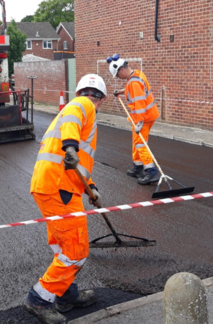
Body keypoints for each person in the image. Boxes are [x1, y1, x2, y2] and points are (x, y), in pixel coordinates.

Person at [25, 74, 107, 324]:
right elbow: (72, 129)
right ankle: (38, 300)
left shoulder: (78, 109)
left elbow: (79, 165)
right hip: (59, 188)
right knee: (75, 251)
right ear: (100, 98)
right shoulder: (83, 105)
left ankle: (65, 293)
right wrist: (70, 147)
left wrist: (91, 188)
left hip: (53, 185)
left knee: (63, 247)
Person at [109, 54, 160, 185]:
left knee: (140, 144)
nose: (118, 78)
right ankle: (138, 167)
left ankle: (151, 172)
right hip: (143, 116)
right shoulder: (136, 75)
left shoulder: (134, 81)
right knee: (136, 142)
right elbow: (131, 90)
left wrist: (140, 122)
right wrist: (120, 92)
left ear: (121, 69)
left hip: (143, 117)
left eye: (117, 75)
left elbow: (140, 102)